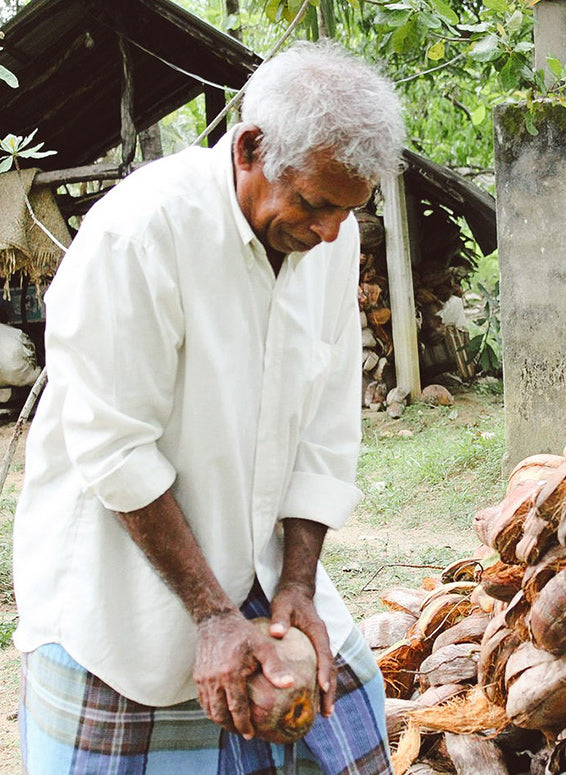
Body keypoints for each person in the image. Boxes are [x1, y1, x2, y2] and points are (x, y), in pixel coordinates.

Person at [13, 40, 405, 775]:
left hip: (259, 565)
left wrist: (297, 582)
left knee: (352, 731)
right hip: (121, 590)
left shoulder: (332, 236)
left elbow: (327, 426)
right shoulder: (142, 231)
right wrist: (214, 615)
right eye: (314, 204)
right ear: (251, 148)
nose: (329, 232)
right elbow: (114, 448)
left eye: (347, 210)